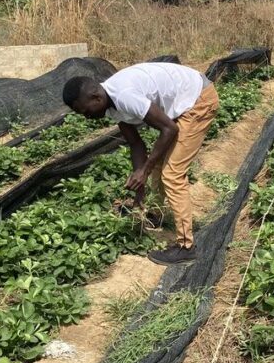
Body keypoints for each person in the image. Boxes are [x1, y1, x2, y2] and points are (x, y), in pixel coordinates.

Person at [62, 62, 219, 265]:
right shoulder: (109, 107)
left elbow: (169, 129)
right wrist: (139, 189)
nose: (87, 117)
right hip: (182, 103)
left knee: (172, 173)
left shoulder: (124, 95)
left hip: (198, 99)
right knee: (157, 166)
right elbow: (136, 143)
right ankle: (155, 213)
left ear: (95, 98)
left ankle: (185, 247)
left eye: (85, 111)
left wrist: (144, 170)